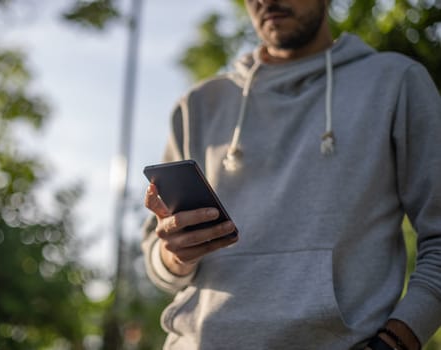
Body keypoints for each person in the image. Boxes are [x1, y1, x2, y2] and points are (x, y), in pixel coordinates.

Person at [141, 0, 441, 349]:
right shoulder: (198, 105)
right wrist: (174, 255)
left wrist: (397, 340)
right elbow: (157, 260)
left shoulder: (396, 83)